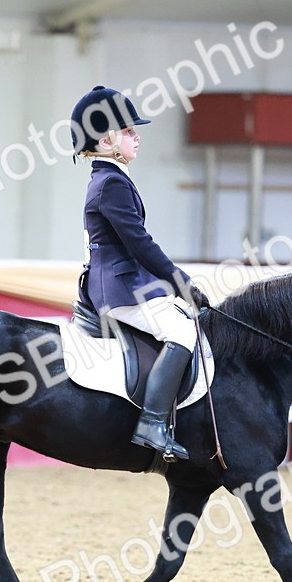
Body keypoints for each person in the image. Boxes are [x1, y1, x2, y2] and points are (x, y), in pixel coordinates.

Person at [71, 85, 209, 462]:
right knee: (181, 330)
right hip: (119, 289)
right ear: (105, 139)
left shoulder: (109, 178)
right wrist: (181, 282)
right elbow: (140, 244)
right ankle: (151, 424)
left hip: (124, 284)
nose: (137, 136)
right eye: (129, 131)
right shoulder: (112, 183)